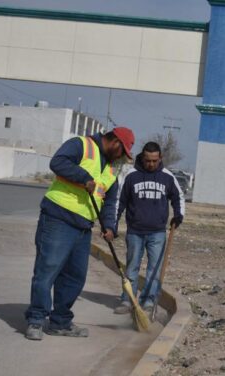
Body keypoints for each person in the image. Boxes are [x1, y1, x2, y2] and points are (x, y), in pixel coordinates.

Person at [24, 127, 135, 340]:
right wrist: (83, 177)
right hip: (59, 217)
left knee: (75, 277)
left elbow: (110, 201)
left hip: (83, 225)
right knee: (47, 270)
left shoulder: (112, 170)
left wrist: (109, 226)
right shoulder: (82, 145)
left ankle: (60, 322)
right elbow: (58, 162)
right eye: (123, 151)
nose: (122, 157)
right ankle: (36, 320)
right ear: (116, 143)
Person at [113, 141, 184, 314]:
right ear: (142, 158)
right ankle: (128, 300)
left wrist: (178, 215)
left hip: (158, 232)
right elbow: (119, 201)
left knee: (154, 268)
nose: (151, 164)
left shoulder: (167, 177)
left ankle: (149, 300)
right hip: (135, 231)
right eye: (147, 161)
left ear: (160, 158)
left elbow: (178, 197)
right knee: (132, 267)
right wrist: (113, 223)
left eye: (154, 161)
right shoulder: (131, 175)